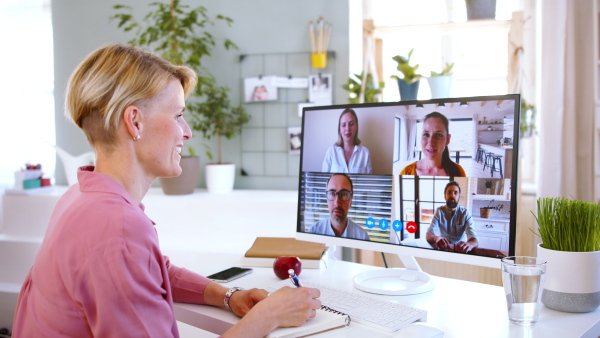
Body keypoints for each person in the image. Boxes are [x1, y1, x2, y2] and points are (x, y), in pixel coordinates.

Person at [12, 44, 321, 338]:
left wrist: (229, 295)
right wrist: (269, 316)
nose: (187, 131)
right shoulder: (116, 228)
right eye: (177, 115)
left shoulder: (83, 197)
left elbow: (156, 270)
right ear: (134, 121)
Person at [400, 111, 466, 177]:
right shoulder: (406, 172)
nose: (431, 143)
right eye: (426, 134)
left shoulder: (458, 171)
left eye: (438, 135)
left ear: (447, 140)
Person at [308, 174, 370, 240]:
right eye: (332, 193)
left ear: (351, 200)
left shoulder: (362, 236)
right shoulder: (313, 231)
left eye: (344, 194)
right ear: (327, 199)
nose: (337, 203)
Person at [426, 181, 478, 253]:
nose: (452, 195)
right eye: (449, 192)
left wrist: (470, 244)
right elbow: (429, 234)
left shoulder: (465, 213)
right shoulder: (439, 211)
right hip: (443, 250)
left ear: (459, 197)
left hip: (459, 250)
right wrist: (437, 238)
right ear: (445, 196)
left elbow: (474, 239)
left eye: (455, 193)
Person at [322, 108, 372, 174]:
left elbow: (368, 182)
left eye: (351, 124)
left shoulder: (365, 153)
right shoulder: (331, 152)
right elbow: (324, 180)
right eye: (343, 125)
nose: (347, 129)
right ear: (339, 129)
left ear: (356, 126)